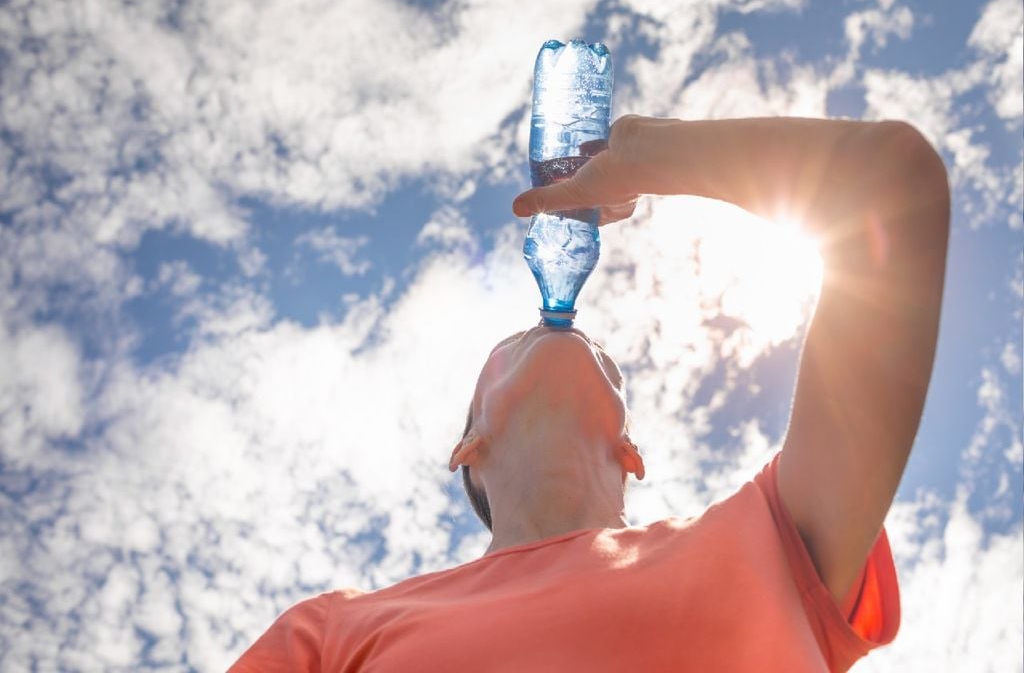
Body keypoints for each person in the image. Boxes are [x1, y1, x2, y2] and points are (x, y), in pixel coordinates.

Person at [229, 115, 949, 672]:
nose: (566, 338)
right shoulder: (335, 629)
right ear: (467, 446)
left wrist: (654, 154)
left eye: (608, 358)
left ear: (632, 448)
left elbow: (892, 186)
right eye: (510, 347)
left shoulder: (773, 531)